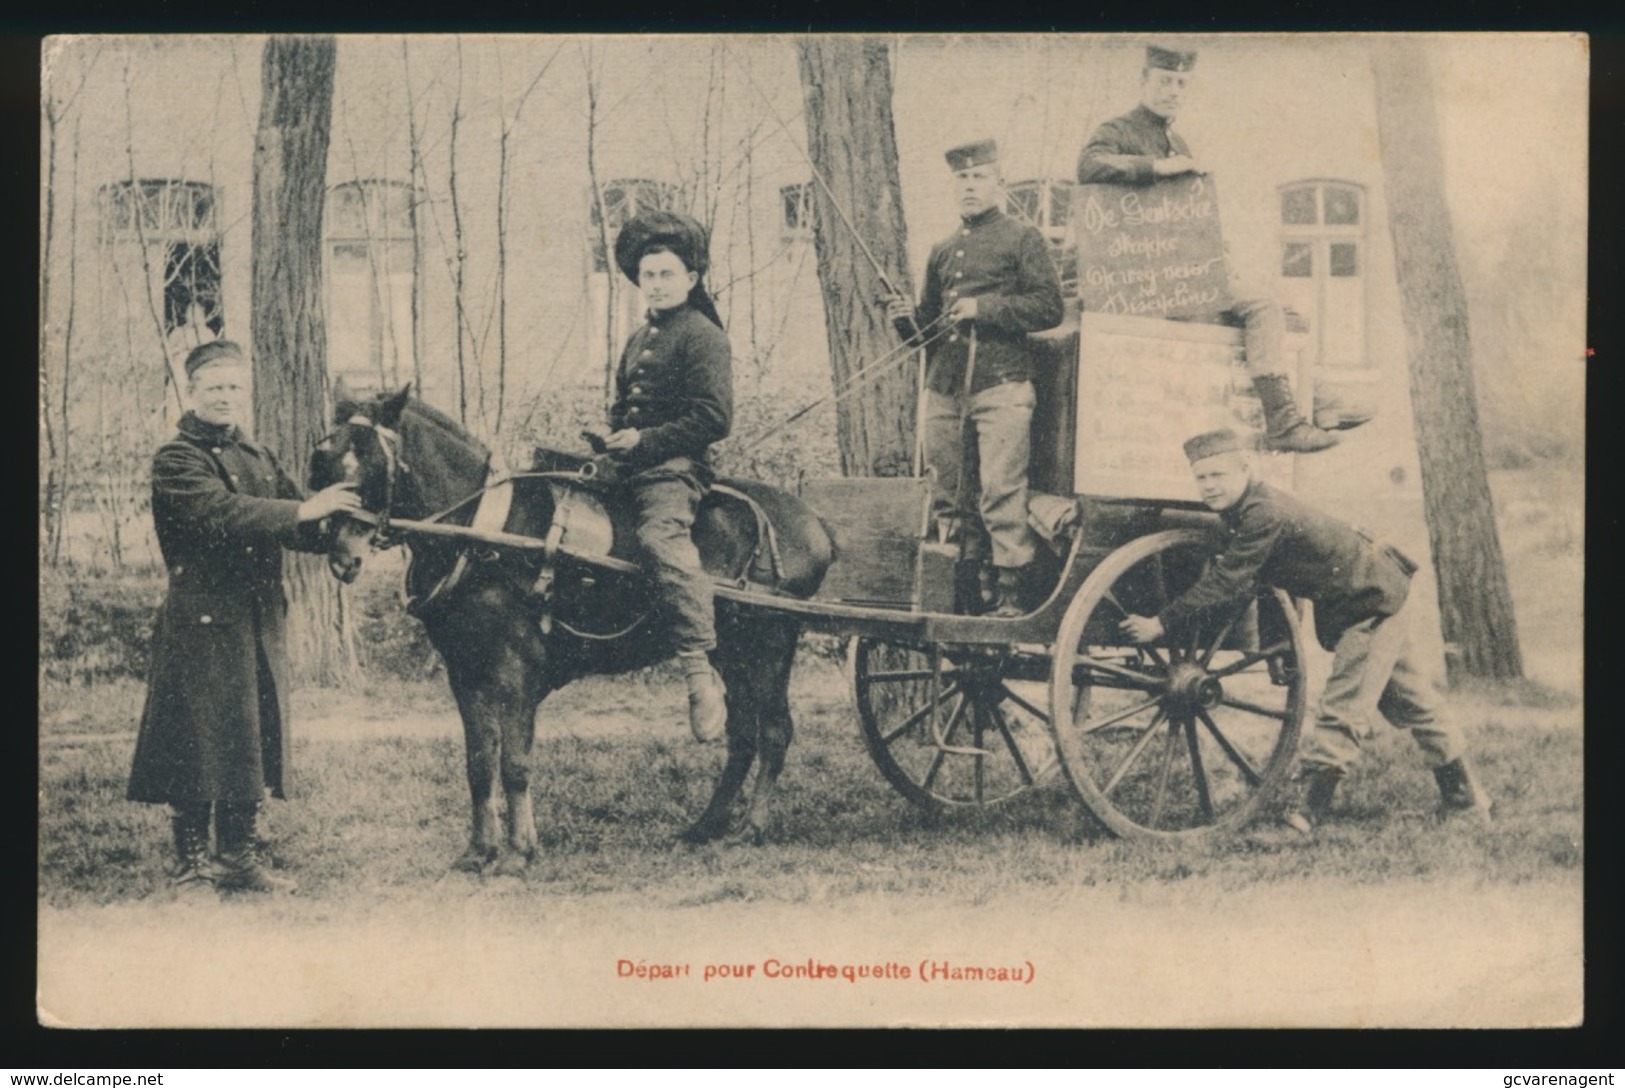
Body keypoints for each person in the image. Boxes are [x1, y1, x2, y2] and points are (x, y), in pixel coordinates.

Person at [1117, 427, 1491, 833]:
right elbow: (1267, 582)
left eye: (1217, 476)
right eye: (1201, 478)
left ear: (1246, 468)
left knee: (1343, 706)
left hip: (1369, 601)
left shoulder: (1263, 513)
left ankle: (1308, 815)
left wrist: (1161, 623)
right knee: (1416, 701)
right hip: (1369, 592)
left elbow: (1230, 582)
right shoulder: (1244, 511)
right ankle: (1467, 801)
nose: (1208, 486)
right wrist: (1278, 649)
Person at [127, 340, 363, 893]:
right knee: (197, 739)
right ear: (192, 393)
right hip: (202, 620)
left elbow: (295, 524)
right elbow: (221, 514)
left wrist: (338, 534)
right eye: (214, 388)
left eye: (234, 387)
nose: (226, 397)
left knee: (249, 736)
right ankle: (190, 867)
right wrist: (308, 507)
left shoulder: (257, 456)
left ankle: (237, 858)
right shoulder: (178, 458)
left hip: (258, 617)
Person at [1077, 44, 1360, 453]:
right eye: (1163, 81)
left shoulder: (1178, 142)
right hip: (1140, 286)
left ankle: (1314, 403)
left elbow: (1188, 220)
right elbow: (1088, 166)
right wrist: (1158, 167)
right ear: (1143, 81)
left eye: (1180, 83)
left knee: (1279, 311)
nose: (1172, 90)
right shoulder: (1116, 132)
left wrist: (1213, 250)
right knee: (1261, 308)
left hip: (1182, 277)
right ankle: (1296, 415)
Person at [887, 138, 1065, 617]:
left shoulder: (1022, 239)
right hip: (945, 390)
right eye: (961, 179)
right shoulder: (943, 251)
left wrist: (984, 308)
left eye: (978, 177)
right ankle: (965, 585)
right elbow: (927, 333)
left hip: (1001, 385)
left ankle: (1011, 593)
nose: (969, 186)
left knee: (999, 490)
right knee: (948, 493)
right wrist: (906, 321)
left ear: (999, 184)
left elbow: (1050, 307)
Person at [598, 210, 732, 743]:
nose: (655, 284)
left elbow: (713, 419)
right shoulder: (639, 338)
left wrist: (646, 442)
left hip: (676, 470)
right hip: (628, 464)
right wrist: (612, 439)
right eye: (648, 275)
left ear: (691, 279)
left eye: (666, 274)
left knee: (658, 535)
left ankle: (699, 668)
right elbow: (621, 407)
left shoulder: (702, 336)